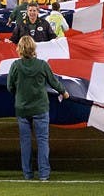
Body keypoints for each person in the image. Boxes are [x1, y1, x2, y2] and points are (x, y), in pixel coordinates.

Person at [7, 35, 69, 181]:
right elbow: (54, 82)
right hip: (40, 108)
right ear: (34, 48)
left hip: (22, 108)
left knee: (25, 142)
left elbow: (10, 86)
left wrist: (20, 93)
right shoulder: (42, 65)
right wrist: (64, 92)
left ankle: (28, 174)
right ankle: (44, 174)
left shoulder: (15, 65)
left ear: (20, 49)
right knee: (42, 141)